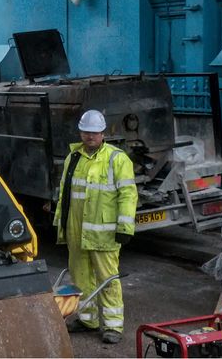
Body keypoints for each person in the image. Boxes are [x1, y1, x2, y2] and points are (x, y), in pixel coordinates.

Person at [54, 109, 137, 344]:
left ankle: (113, 326)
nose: (90, 136)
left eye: (94, 132)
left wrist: (125, 227)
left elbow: (128, 195)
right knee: (79, 278)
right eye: (86, 132)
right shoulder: (74, 157)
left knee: (107, 280)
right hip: (76, 231)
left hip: (104, 234)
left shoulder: (116, 158)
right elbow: (65, 196)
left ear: (103, 133)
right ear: (80, 132)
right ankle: (87, 318)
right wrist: (60, 224)